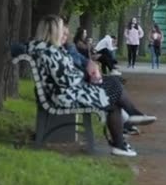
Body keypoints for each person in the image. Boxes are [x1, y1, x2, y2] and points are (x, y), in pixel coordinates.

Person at [25, 15, 156, 157]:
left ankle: (125, 132)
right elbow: (65, 80)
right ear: (53, 31)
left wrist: (88, 76)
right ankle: (125, 131)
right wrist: (86, 77)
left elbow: (65, 75)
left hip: (66, 92)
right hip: (64, 95)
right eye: (61, 30)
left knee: (113, 86)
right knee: (113, 90)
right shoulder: (50, 52)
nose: (64, 34)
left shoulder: (49, 50)